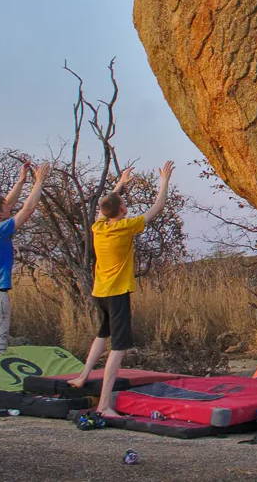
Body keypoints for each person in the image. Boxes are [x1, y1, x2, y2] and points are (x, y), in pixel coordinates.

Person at [69, 161, 174, 418]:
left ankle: (83, 376)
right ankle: (104, 405)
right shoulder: (124, 227)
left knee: (102, 333)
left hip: (100, 291)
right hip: (116, 293)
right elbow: (157, 208)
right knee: (118, 347)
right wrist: (164, 180)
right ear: (121, 210)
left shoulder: (98, 227)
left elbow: (107, 206)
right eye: (124, 205)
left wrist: (121, 183)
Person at [0, 160, 50, 415]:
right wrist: (38, 182)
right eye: (5, 208)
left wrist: (21, 180)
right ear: (1, 214)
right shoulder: (1, 231)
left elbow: (7, 205)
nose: (8, 207)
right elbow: (26, 209)